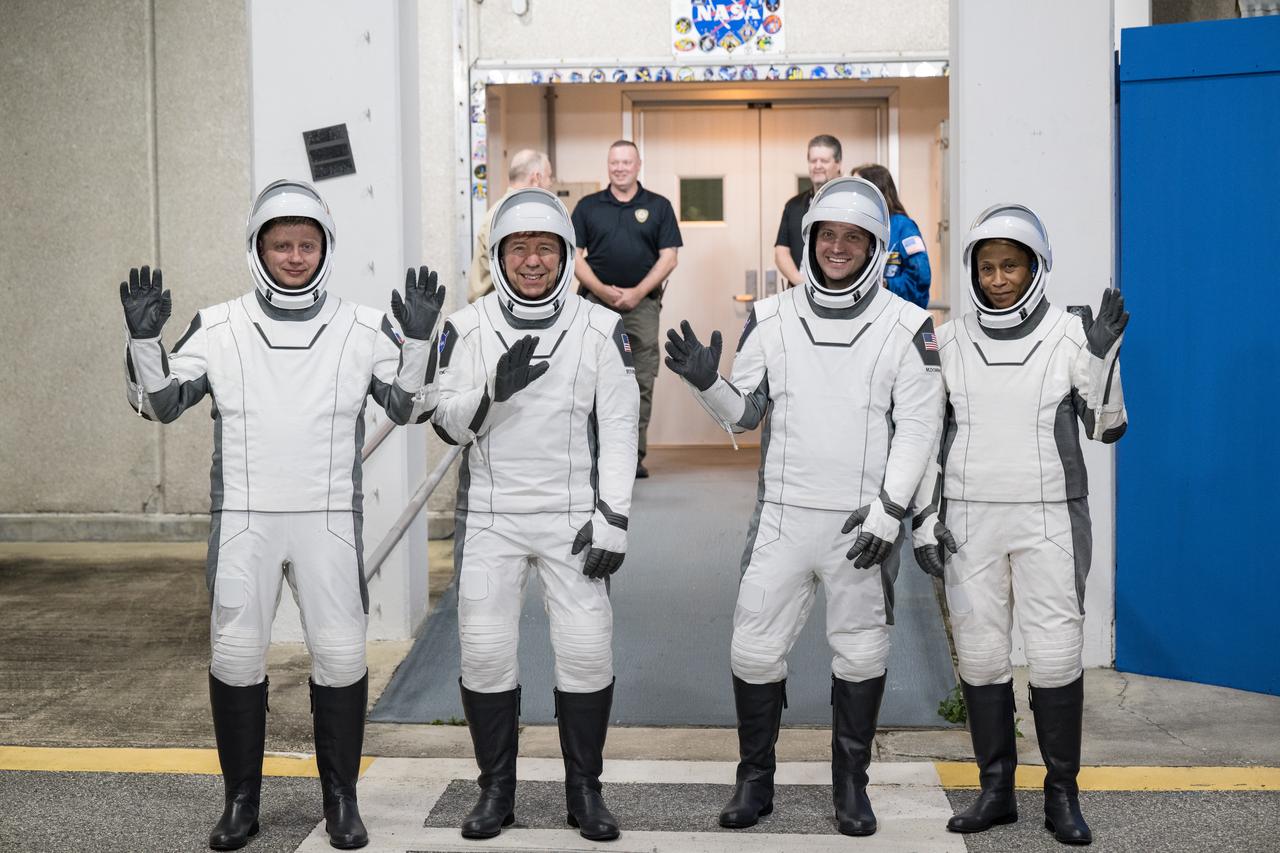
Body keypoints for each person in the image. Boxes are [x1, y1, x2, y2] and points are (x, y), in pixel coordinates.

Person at [120, 179, 444, 851]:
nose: (294, 257)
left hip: (328, 519)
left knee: (341, 656)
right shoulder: (219, 324)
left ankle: (342, 800)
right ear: (257, 250)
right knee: (237, 657)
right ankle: (241, 802)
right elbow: (159, 405)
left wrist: (417, 343)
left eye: (306, 244)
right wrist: (144, 341)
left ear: (325, 248)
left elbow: (411, 408)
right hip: (245, 520)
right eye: (281, 245)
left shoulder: (363, 326)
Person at [664, 176, 943, 837]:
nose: (837, 248)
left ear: (875, 246)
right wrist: (707, 383)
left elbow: (920, 426)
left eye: (853, 238)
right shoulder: (771, 316)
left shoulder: (907, 325)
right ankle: (754, 780)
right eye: (827, 235)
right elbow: (747, 412)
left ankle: (851, 784)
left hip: (863, 525)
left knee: (862, 654)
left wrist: (890, 511)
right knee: (753, 652)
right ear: (810, 238)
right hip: (783, 517)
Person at [911, 204, 1127, 846]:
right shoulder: (948, 341)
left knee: (1057, 656)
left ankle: (1062, 795)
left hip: (1050, 517)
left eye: (1011, 265)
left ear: (1036, 267)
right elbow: (924, 438)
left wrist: (1102, 356)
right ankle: (996, 791)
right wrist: (925, 518)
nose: (998, 279)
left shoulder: (1072, 334)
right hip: (968, 519)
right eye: (987, 267)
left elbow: (1107, 426)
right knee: (981, 656)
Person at [433, 188, 639, 842]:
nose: (531, 261)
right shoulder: (467, 327)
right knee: (485, 651)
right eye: (518, 248)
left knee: (586, 650)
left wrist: (614, 517)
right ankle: (496, 790)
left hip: (573, 516)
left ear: (566, 254)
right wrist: (492, 394)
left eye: (544, 248)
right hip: (491, 516)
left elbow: (621, 426)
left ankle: (585, 791)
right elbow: (446, 422)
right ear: (498, 255)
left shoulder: (599, 327)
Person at [571, 139, 681, 479]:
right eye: (614, 162)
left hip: (642, 308)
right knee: (591, 380)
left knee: (639, 381)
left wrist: (637, 293)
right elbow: (573, 256)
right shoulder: (588, 207)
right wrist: (601, 290)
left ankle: (632, 457)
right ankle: (594, 455)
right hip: (594, 306)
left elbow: (669, 257)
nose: (620, 168)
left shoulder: (659, 206)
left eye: (626, 162)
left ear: (638, 165)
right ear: (608, 166)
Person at [468, 149, 555, 303]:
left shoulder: (499, 211)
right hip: (495, 311)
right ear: (536, 178)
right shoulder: (508, 216)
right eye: (549, 177)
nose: (550, 183)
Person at [853, 163, 932, 308]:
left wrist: (885, 284)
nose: (853, 195)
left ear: (877, 191)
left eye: (858, 189)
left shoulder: (903, 227)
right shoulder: (858, 227)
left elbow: (920, 278)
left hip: (897, 312)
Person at [773, 134, 843, 288]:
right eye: (813, 160)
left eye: (824, 161)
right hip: (799, 290)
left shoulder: (851, 204)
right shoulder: (794, 205)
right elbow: (781, 252)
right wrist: (802, 284)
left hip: (840, 293)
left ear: (838, 164)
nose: (817, 166)